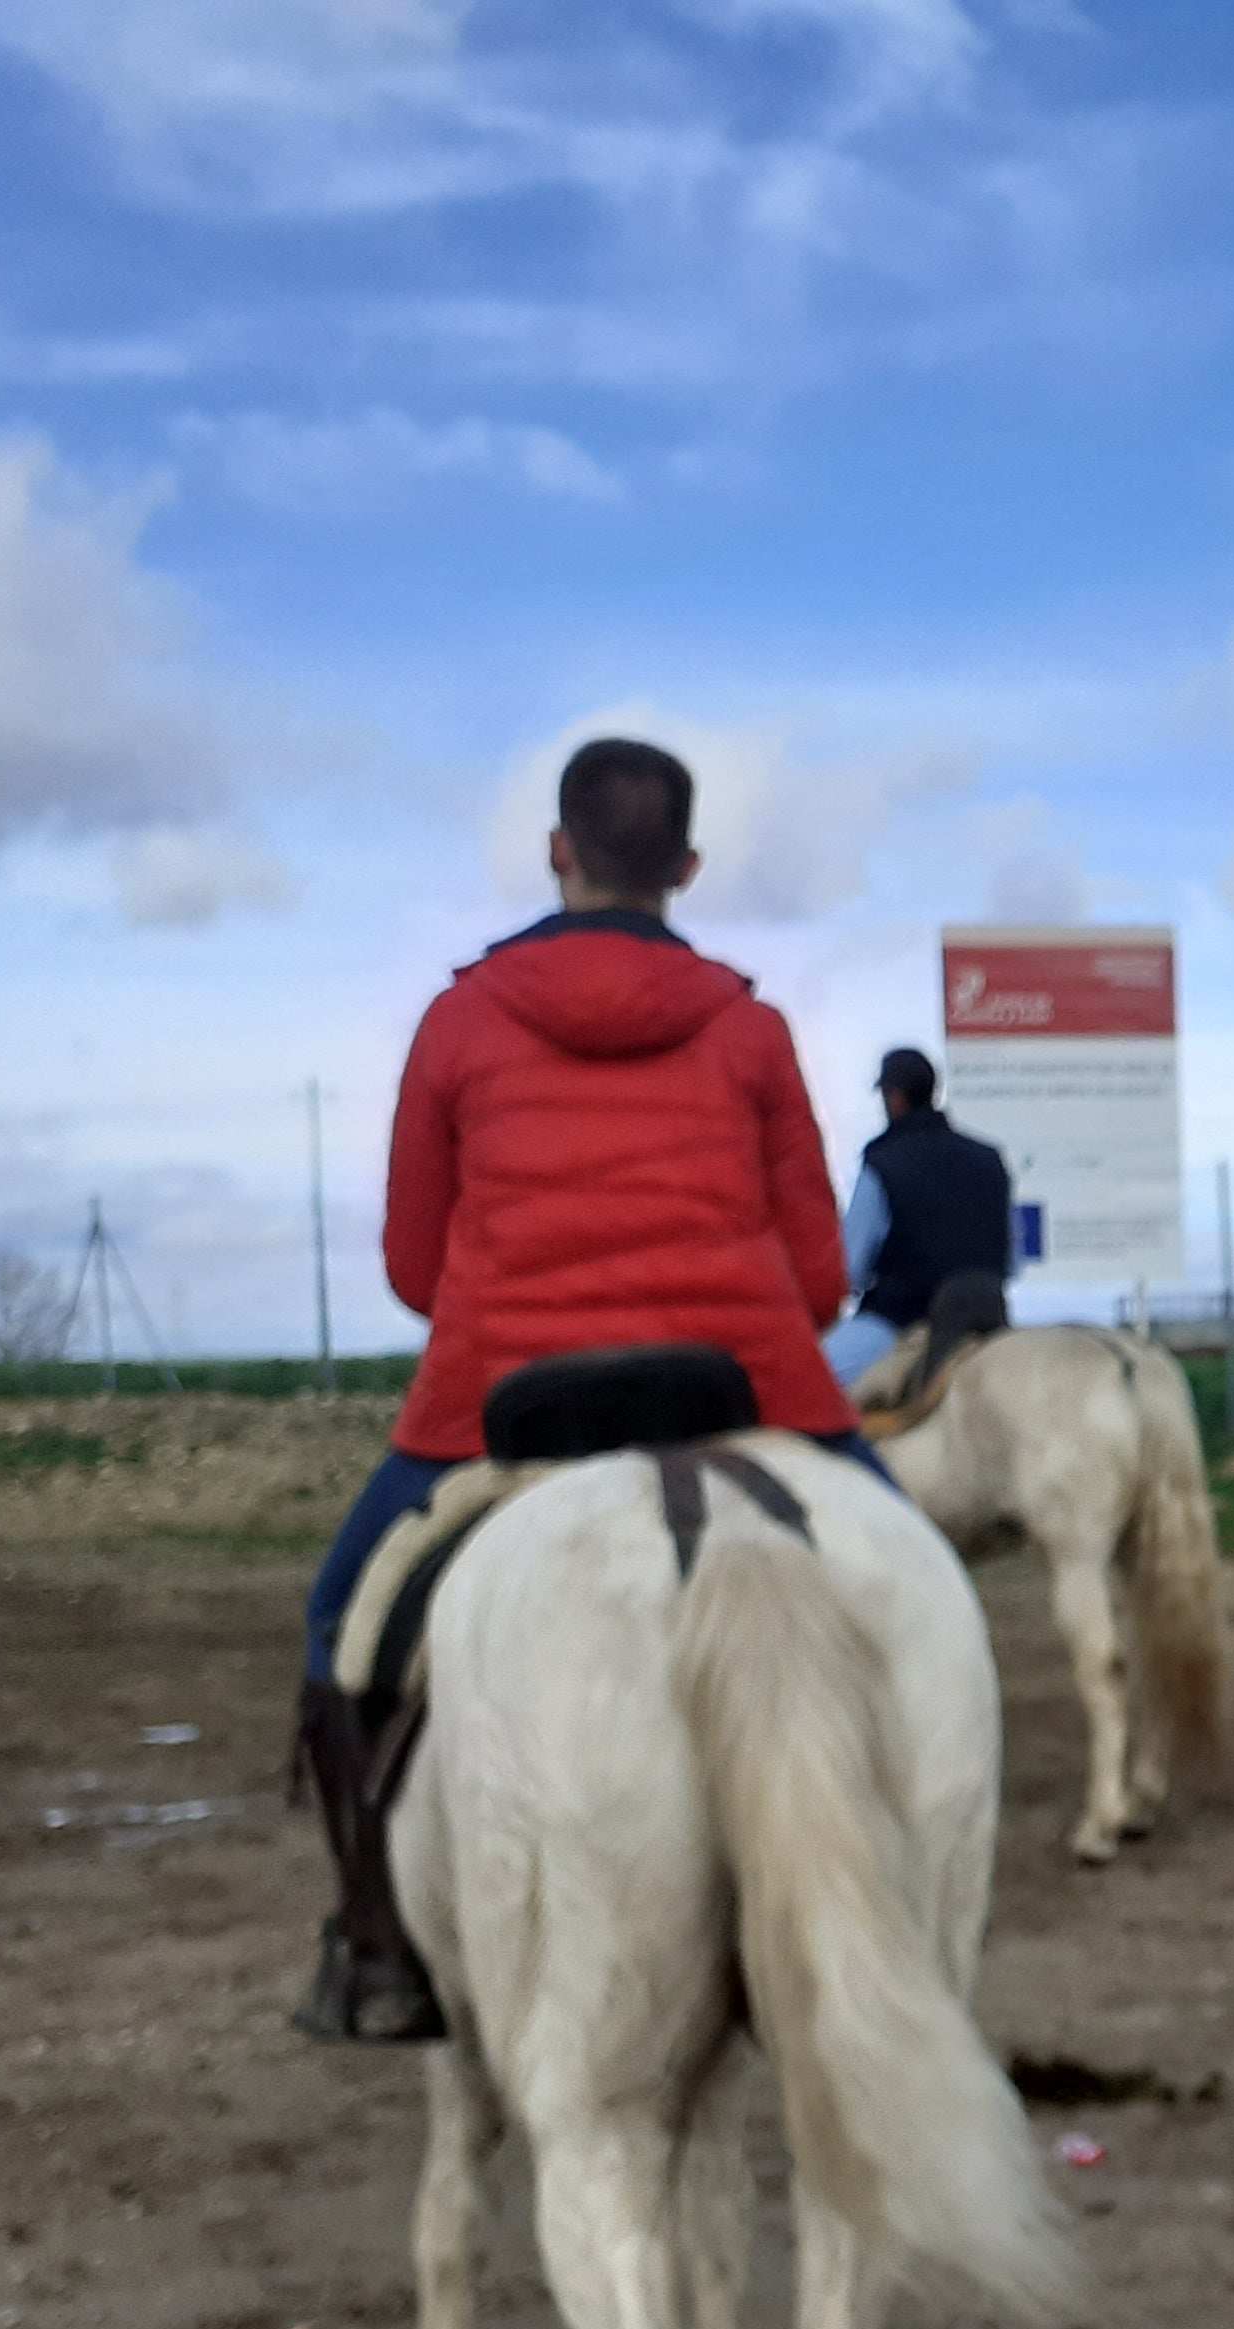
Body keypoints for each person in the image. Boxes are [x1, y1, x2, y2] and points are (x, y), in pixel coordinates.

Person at [292, 736, 895, 2042]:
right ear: (687, 866)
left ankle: (377, 1945)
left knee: (340, 1622)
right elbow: (818, 1279)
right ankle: (910, 1895)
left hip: (500, 1396)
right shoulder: (750, 1029)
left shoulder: (458, 1022)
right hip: (744, 1386)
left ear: (559, 851)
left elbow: (412, 1268)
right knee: (919, 1583)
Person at [823, 1044, 1014, 1387]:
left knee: (814, 1375)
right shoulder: (990, 1159)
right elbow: (1010, 1262)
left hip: (900, 1322)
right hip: (985, 1322)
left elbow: (849, 1267)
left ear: (895, 1098)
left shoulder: (882, 1163)